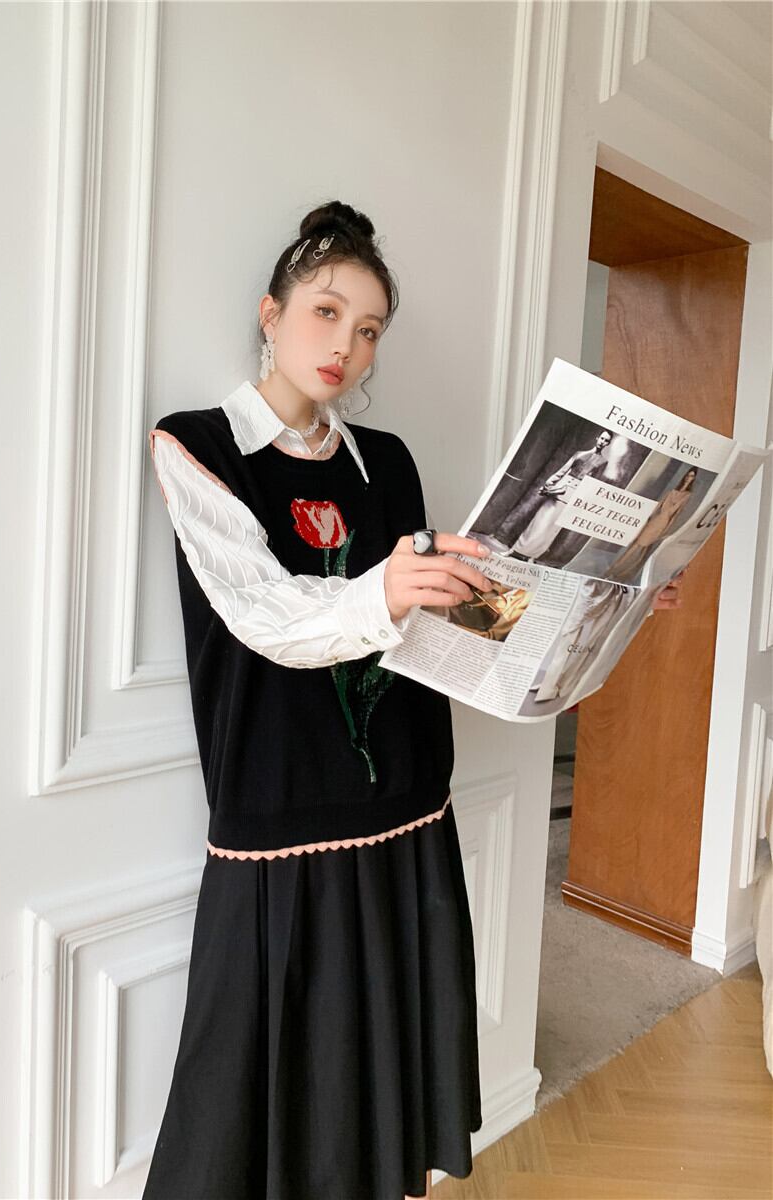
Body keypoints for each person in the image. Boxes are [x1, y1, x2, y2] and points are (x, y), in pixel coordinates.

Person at [141, 201, 686, 1200]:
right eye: (326, 312)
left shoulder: (385, 461)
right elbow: (262, 613)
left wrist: (612, 595)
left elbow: (451, 615)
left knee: (378, 1096)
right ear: (271, 312)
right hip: (280, 822)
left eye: (369, 329)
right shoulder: (196, 444)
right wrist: (385, 589)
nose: (346, 345)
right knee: (247, 1110)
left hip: (406, 809)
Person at [506, 429, 613, 562]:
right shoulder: (580, 454)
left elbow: (593, 483)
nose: (602, 442)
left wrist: (582, 499)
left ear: (608, 444)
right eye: (602, 438)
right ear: (597, 438)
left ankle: (532, 557)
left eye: (606, 441)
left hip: (574, 496)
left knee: (552, 530)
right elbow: (563, 470)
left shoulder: (603, 462)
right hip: (559, 490)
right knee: (538, 522)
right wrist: (549, 483)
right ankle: (514, 550)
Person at [606, 466, 698, 582]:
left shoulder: (687, 495)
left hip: (663, 523)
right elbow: (658, 505)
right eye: (688, 475)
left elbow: (676, 514)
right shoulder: (672, 491)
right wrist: (648, 518)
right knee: (636, 545)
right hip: (655, 520)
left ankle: (625, 573)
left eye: (692, 476)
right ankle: (613, 569)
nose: (689, 478)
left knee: (644, 551)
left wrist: (666, 530)